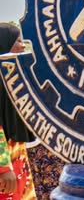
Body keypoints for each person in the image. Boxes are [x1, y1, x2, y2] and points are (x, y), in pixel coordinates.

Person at [0, 23, 36, 200]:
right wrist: (4, 167)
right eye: (18, 40)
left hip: (17, 156)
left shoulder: (10, 78)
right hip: (5, 163)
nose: (23, 45)